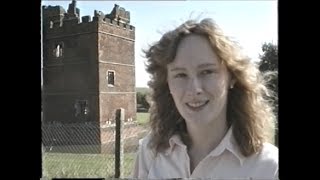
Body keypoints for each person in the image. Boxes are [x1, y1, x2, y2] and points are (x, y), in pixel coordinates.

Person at [131, 18, 278, 179]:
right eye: (180, 75)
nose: (194, 89)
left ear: (232, 78)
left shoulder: (268, 167)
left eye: (207, 72)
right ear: (167, 84)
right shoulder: (150, 152)